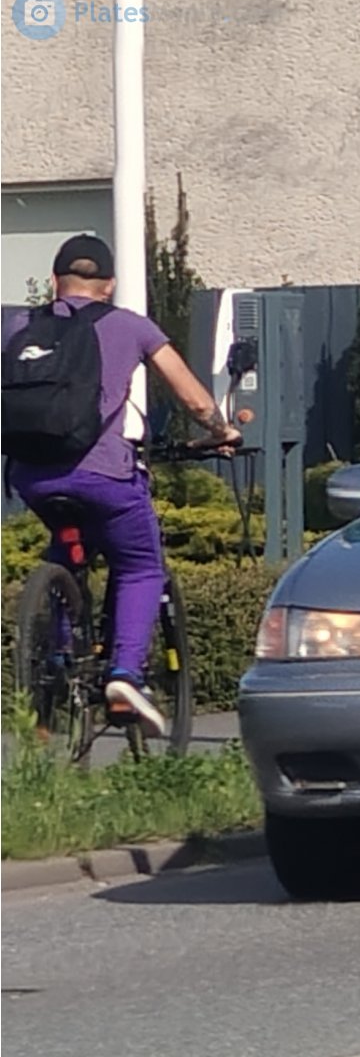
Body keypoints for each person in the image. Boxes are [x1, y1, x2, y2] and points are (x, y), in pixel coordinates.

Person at [3, 234, 242, 737]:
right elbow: (195, 401)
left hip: (33, 478)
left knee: (68, 551)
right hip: (104, 475)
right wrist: (220, 432)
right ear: (109, 286)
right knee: (139, 565)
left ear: (53, 282)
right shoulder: (129, 326)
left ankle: (58, 663)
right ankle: (124, 674)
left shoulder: (18, 325)